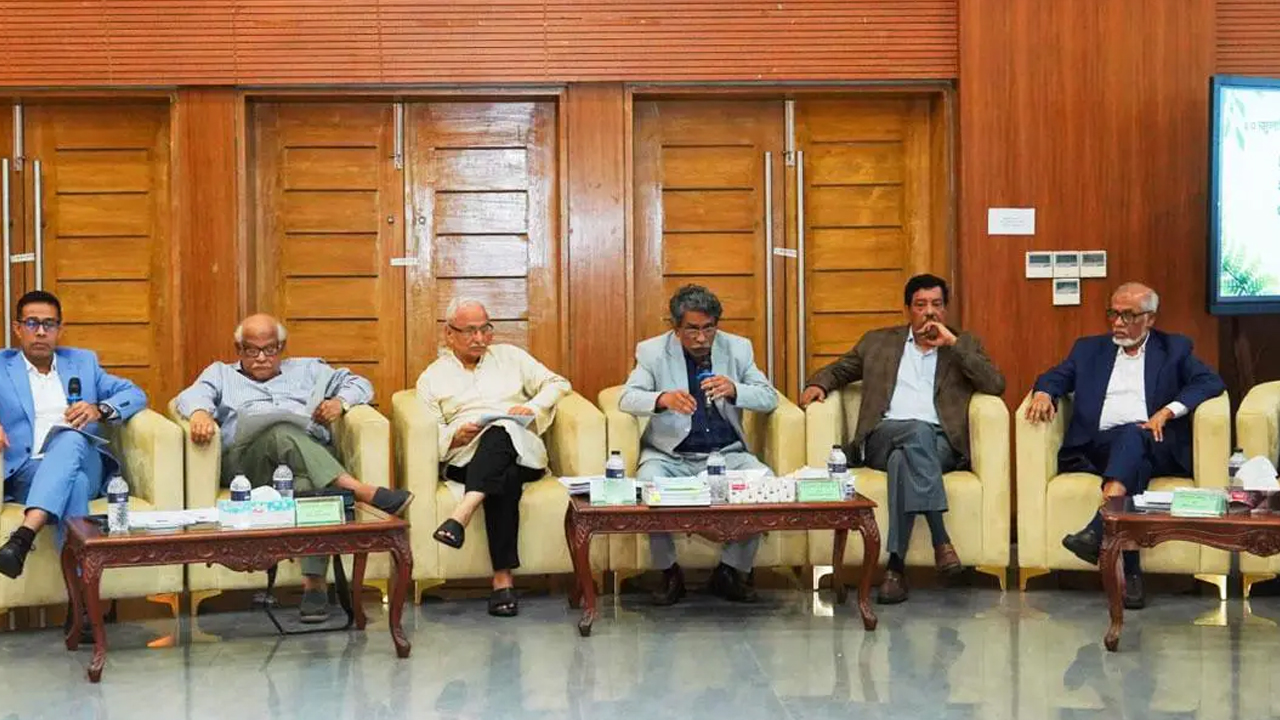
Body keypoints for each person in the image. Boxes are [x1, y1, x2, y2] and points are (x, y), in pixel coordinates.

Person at [175, 313, 412, 623]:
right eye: (251, 350)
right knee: (280, 432)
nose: (261, 358)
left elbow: (360, 384)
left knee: (306, 485)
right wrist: (199, 413)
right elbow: (190, 396)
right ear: (238, 349)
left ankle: (314, 587)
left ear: (282, 347)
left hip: (302, 463)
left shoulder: (309, 369)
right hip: (248, 467)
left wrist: (339, 402)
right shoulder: (220, 373)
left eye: (270, 349)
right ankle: (360, 490)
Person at [799, 274, 1005, 604]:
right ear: (908, 309)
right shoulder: (878, 342)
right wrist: (818, 384)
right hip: (882, 435)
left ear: (945, 309)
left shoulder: (962, 345)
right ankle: (940, 538)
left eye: (936, 304)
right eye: (921, 305)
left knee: (903, 460)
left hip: (940, 444)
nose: (930, 312)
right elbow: (839, 370)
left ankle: (895, 569)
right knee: (915, 432)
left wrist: (953, 344)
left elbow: (995, 384)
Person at [1026, 282, 1224, 609]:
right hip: (1099, 446)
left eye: (1128, 315)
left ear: (1150, 319)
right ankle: (1129, 572)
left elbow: (1210, 381)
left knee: (1134, 437)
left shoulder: (1174, 348)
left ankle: (1102, 528)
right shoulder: (1088, 350)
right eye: (1113, 314)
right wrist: (1044, 393)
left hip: (1156, 443)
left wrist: (1167, 411)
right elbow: (1054, 376)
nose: (1118, 323)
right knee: (1134, 462)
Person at [620, 284, 779, 605]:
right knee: (648, 485)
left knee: (767, 484)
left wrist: (735, 390)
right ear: (676, 327)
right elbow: (627, 398)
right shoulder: (652, 352)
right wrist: (662, 399)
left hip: (727, 454)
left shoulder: (738, 349)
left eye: (709, 328)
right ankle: (668, 573)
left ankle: (730, 571)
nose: (702, 338)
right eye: (692, 329)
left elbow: (769, 397)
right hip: (670, 456)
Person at [421, 299, 571, 618]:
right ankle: (502, 581)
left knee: (501, 429)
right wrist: (454, 437)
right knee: (505, 478)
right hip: (465, 458)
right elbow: (428, 430)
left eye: (485, 329)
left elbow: (558, 383)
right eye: (470, 331)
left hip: (521, 450)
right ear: (449, 334)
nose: (480, 338)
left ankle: (461, 514)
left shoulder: (512, 357)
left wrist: (530, 408)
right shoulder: (432, 378)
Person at [0, 290, 147, 583]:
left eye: (49, 324)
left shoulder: (82, 362)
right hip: (28, 470)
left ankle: (24, 536)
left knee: (71, 438)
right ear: (17, 328)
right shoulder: (2, 366)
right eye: (32, 323)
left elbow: (135, 394)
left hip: (86, 461)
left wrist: (99, 409)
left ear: (60, 329)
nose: (40, 332)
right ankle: (82, 597)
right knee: (74, 484)